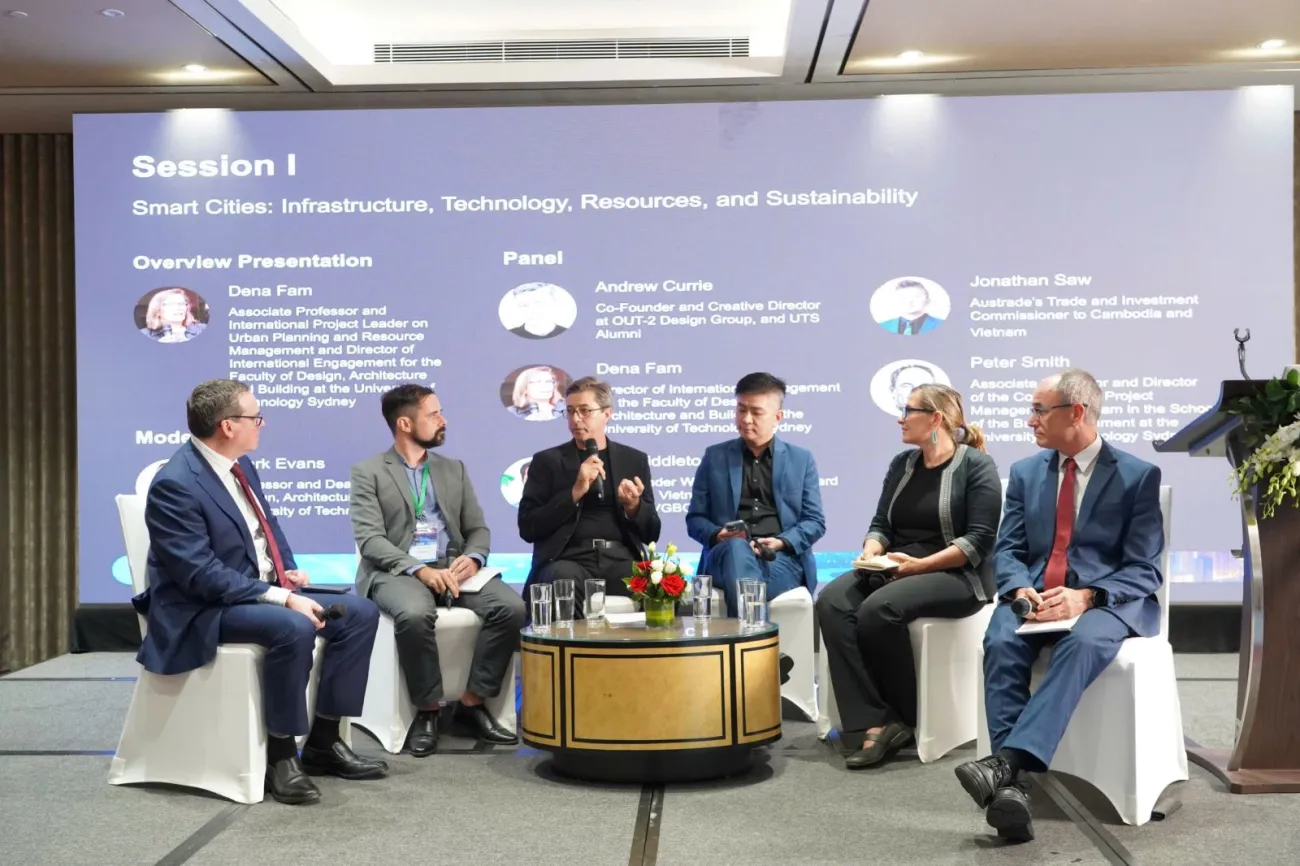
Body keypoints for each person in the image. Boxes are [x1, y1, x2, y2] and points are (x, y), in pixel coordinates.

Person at [133, 379, 387, 805]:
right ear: (228, 426)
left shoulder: (240, 465)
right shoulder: (175, 484)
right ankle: (281, 755)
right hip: (200, 608)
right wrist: (282, 598)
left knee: (359, 613)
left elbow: (266, 527)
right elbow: (201, 576)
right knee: (292, 626)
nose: (262, 424)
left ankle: (325, 741)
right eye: (256, 417)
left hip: (253, 591)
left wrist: (287, 573)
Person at [954, 369, 1164, 843]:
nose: (1030, 420)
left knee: (1083, 642)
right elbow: (1009, 549)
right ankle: (1015, 792)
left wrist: (1086, 596)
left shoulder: (1136, 476)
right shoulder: (1026, 473)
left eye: (1039, 410)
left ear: (1076, 413)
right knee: (1000, 640)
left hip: (1104, 604)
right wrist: (1018, 589)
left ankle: (1006, 765)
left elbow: (1145, 569)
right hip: (1035, 599)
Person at [816, 384, 999, 769]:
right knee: (831, 602)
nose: (900, 419)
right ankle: (874, 719)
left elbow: (979, 541)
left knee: (879, 609)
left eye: (908, 411)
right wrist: (872, 551)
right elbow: (881, 523)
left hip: (958, 574)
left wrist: (918, 566)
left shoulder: (976, 466)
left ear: (935, 419)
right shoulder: (903, 464)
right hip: (897, 566)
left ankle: (904, 716)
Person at [350, 384, 524, 756]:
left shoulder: (452, 469)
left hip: (453, 568)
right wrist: (418, 569)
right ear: (405, 424)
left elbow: (477, 528)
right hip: (397, 571)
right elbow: (371, 540)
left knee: (511, 608)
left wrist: (474, 558)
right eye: (433, 414)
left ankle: (472, 703)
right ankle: (427, 710)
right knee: (415, 614)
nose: (443, 420)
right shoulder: (369, 472)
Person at [686, 372, 826, 617]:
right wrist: (718, 535)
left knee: (744, 574)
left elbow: (815, 522)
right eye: (741, 410)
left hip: (779, 560)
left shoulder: (801, 460)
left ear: (778, 417)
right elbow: (695, 519)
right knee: (737, 549)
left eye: (756, 412)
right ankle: (757, 634)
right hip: (724, 555)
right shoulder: (715, 457)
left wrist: (781, 542)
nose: (746, 419)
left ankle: (747, 633)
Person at [518, 376, 660, 612]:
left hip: (619, 559)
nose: (575, 419)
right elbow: (528, 527)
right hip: (569, 558)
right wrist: (575, 492)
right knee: (563, 580)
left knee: (661, 586)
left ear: (607, 413)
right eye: (570, 411)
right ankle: (572, 639)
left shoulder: (633, 459)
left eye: (584, 411)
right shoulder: (547, 461)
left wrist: (634, 507)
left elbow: (652, 532)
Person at [878, 279, 944, 335]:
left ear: (927, 301)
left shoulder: (941, 325)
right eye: (903, 297)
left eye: (916, 297)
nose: (909, 301)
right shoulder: (884, 326)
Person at [139, 287, 206, 343]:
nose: (179, 308)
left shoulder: (202, 329)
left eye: (182, 303)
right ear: (158, 310)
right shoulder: (145, 334)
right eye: (172, 304)